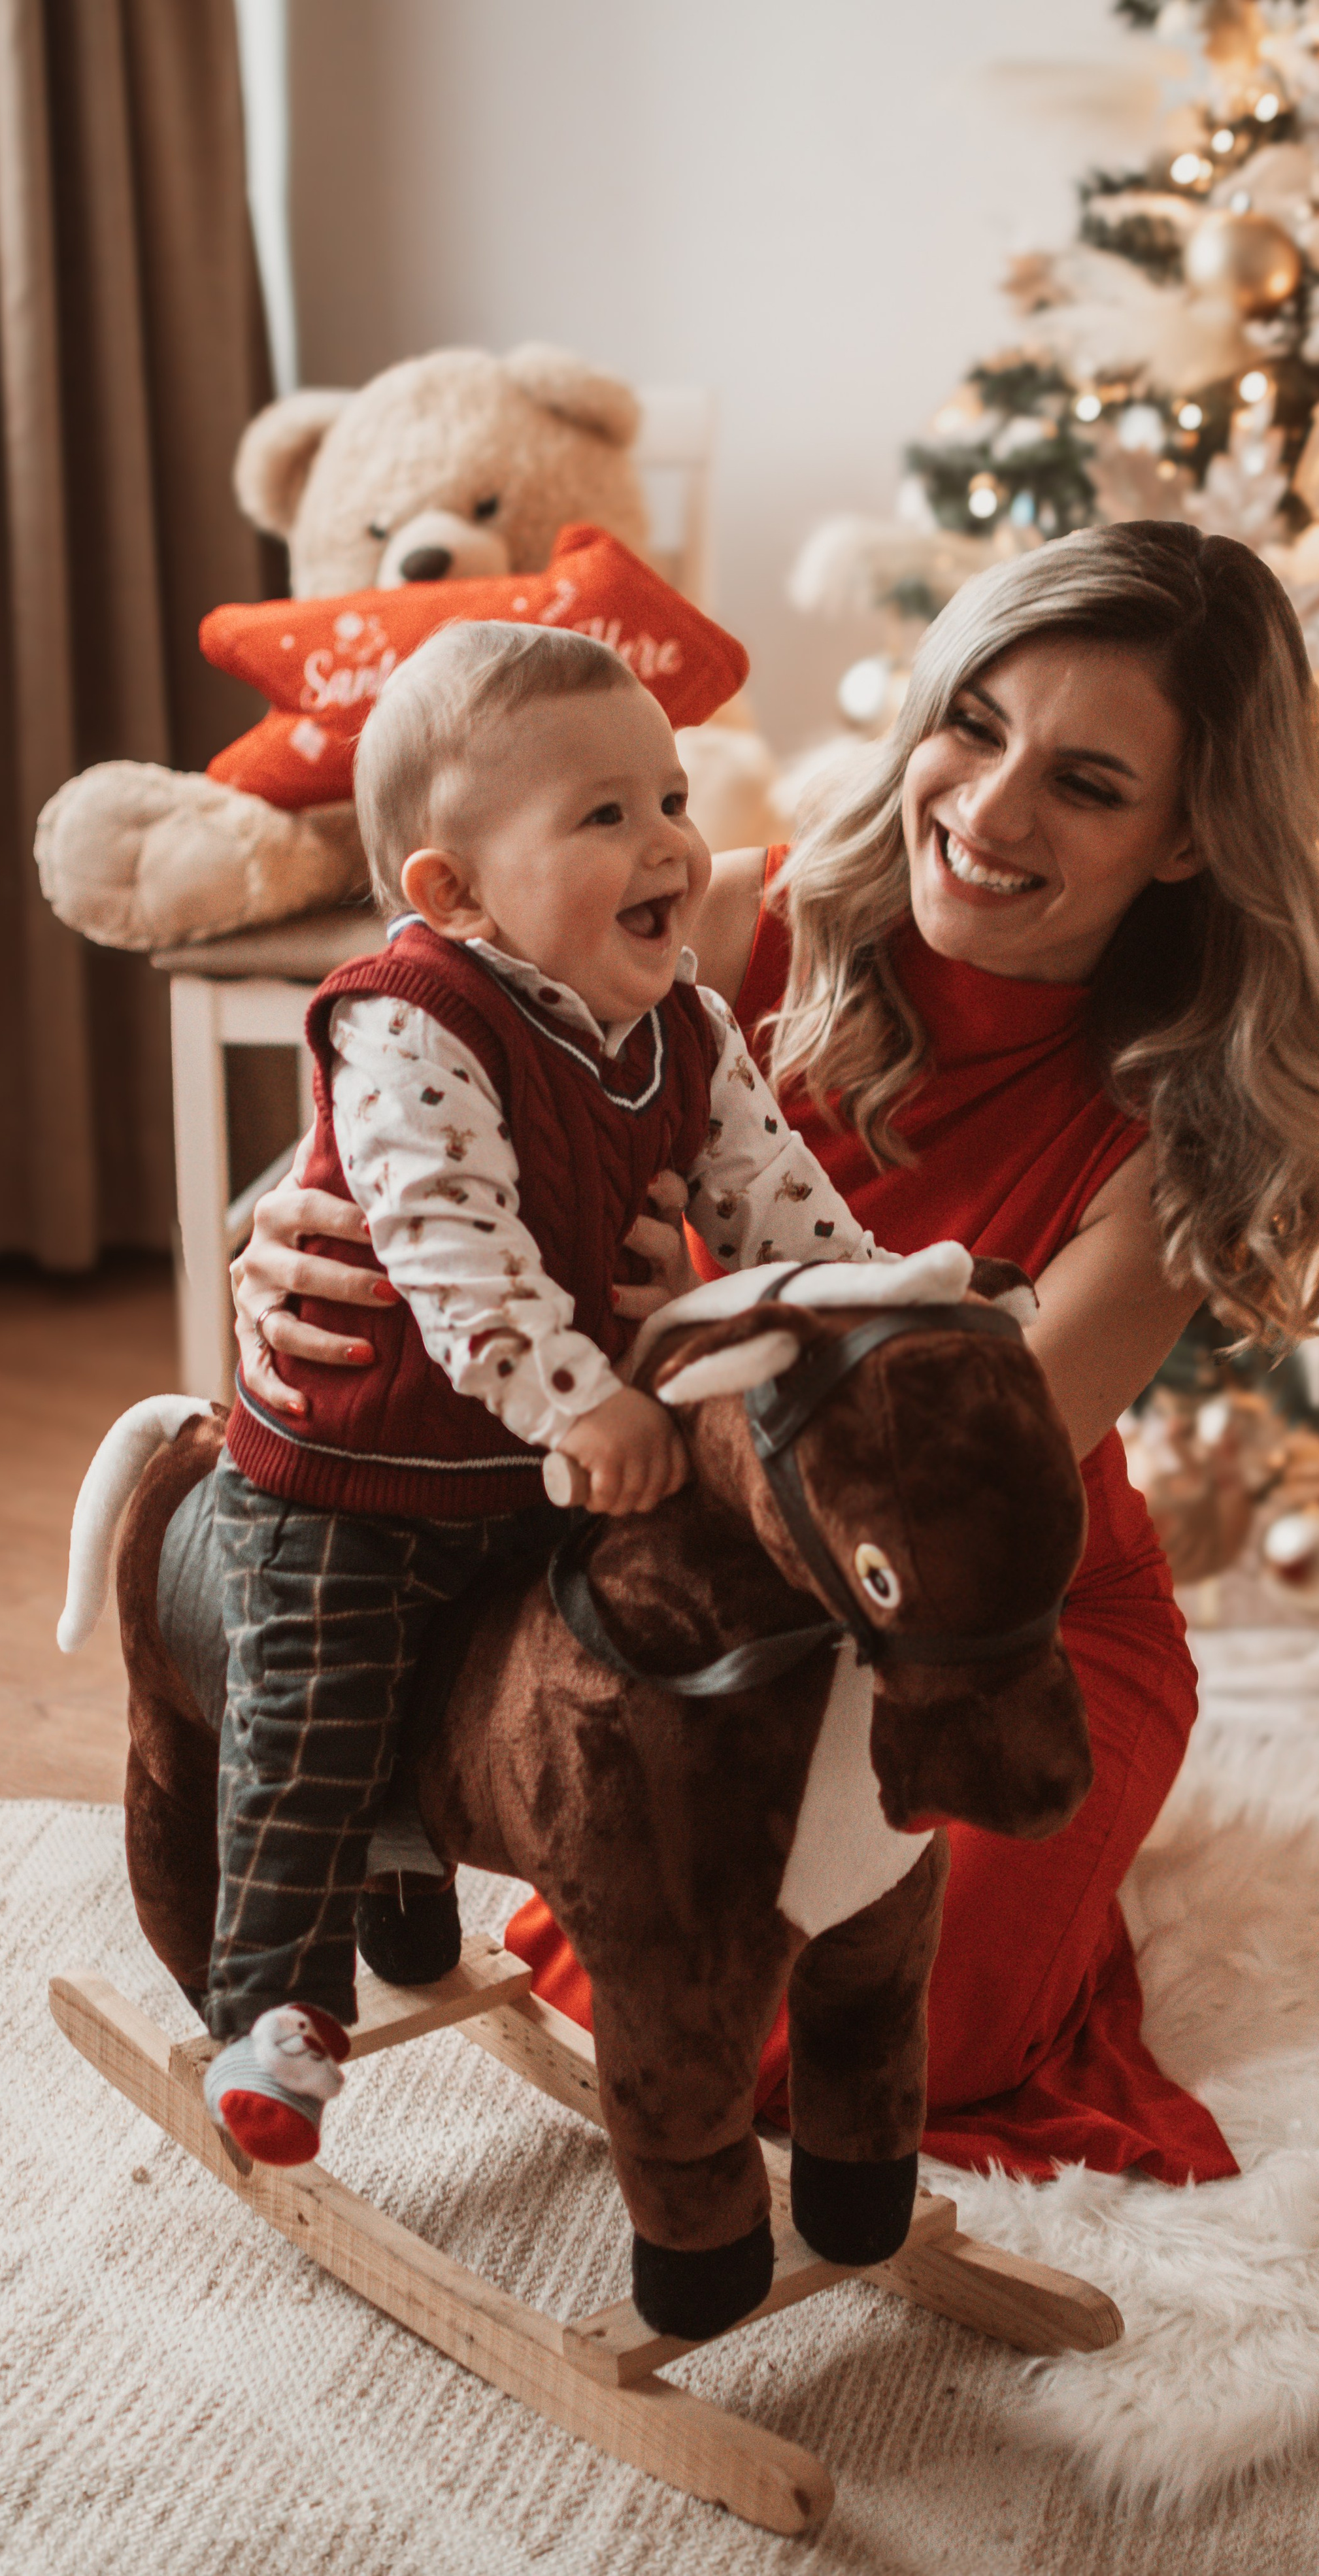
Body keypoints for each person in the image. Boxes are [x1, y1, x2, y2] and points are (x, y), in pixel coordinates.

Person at [229, 521, 1319, 2184]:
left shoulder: (1179, 1139)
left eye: (1084, 784)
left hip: (990, 1605)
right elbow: (413, 1134)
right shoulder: (720, 923)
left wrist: (660, 1326)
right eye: (971, 726)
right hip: (677, 1551)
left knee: (868, 2028)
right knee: (665, 1952)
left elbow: (946, 1478)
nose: (989, 813)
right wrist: (288, 1249)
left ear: (1189, 835)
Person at [203, 620, 890, 2170]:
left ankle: (575, 1906)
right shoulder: (409, 1020)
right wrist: (581, 1398)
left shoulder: (683, 1026)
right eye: (604, 815)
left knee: (622, 1671)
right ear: (453, 892)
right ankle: (276, 2013)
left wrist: (881, 1305)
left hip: (541, 1468)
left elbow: (779, 1200)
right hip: (361, 1474)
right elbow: (454, 1246)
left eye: (670, 799)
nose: (670, 844)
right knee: (313, 1717)